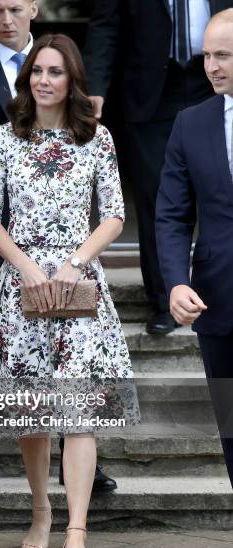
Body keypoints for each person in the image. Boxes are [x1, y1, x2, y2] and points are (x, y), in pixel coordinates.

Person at [0, 33, 140, 548]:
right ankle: (41, 512)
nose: (44, 80)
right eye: (36, 70)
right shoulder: (4, 138)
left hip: (79, 286)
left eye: (55, 71)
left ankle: (77, 534)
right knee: (31, 412)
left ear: (72, 79)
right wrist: (28, 267)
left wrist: (74, 262)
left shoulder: (96, 138)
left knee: (79, 410)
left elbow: (114, 214)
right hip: (22, 285)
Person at [0, 0, 116, 495]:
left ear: (33, 10)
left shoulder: (66, 78)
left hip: (70, 256)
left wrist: (77, 260)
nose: (5, 18)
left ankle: (79, 466)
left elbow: (110, 205)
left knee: (71, 365)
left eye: (14, 8)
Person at [84, 0, 233, 335]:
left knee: (224, 188)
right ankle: (168, 298)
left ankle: (220, 292)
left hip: (213, 77)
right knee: (157, 197)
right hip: (151, 89)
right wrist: (95, 86)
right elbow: (105, 24)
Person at [156, 9, 233, 486]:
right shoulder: (190, 123)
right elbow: (171, 214)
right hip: (218, 302)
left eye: (223, 55)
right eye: (208, 55)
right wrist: (176, 281)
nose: (211, 66)